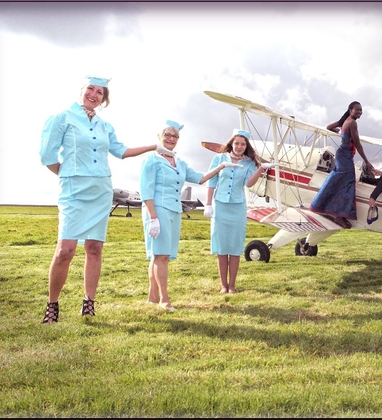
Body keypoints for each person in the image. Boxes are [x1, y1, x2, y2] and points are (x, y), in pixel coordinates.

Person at [39, 76, 173, 324]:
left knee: (94, 248)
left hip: (101, 189)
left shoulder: (104, 126)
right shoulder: (62, 117)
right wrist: (70, 175)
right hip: (73, 190)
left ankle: (88, 303)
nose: (94, 94)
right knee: (65, 251)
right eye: (90, 88)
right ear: (82, 90)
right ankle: (52, 305)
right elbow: (47, 156)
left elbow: (120, 151)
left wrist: (155, 146)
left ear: (104, 99)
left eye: (100, 92)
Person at [140, 120, 235, 311]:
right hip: (157, 209)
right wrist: (153, 217)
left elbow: (199, 178)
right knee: (161, 255)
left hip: (174, 210)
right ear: (159, 137)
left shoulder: (179, 162)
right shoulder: (151, 160)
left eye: (175, 136)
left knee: (159, 256)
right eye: (167, 134)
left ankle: (152, 296)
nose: (171, 139)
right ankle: (164, 300)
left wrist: (220, 168)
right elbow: (146, 190)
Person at [204, 129, 272, 293]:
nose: (239, 146)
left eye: (243, 144)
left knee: (234, 246)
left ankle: (232, 286)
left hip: (238, 206)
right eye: (237, 143)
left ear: (246, 146)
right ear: (231, 144)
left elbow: (249, 183)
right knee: (221, 247)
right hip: (220, 205)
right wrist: (208, 204)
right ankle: (223, 285)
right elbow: (211, 181)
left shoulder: (248, 162)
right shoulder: (219, 159)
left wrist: (260, 169)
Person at [309, 101, 378, 228]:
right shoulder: (352, 123)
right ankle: (338, 215)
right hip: (345, 156)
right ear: (350, 110)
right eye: (357, 110)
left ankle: (327, 208)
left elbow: (329, 127)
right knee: (347, 185)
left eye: (361, 110)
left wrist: (341, 133)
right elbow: (357, 143)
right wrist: (367, 162)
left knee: (338, 182)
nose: (360, 112)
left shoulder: (344, 121)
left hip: (343, 155)